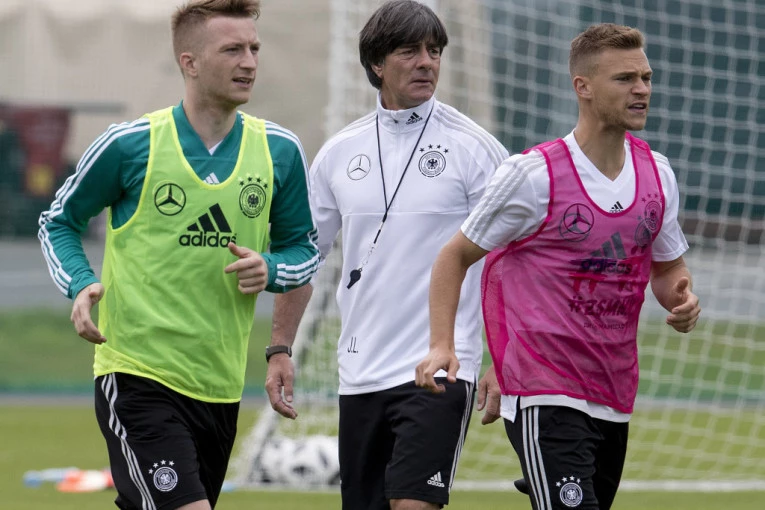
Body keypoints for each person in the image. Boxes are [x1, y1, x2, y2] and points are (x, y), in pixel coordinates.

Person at [37, 1, 319, 508]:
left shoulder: (279, 150)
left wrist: (271, 268)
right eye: (232, 50)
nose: (249, 62)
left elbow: (304, 252)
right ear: (189, 62)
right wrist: (80, 284)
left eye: (254, 48)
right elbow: (58, 221)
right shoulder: (130, 145)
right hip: (136, 374)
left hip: (220, 387)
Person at [416, 23, 701, 510]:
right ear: (582, 86)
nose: (641, 90)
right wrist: (443, 345)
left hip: (613, 390)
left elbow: (668, 269)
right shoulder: (532, 175)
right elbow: (454, 256)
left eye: (646, 78)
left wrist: (681, 297)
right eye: (625, 78)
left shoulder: (658, 173)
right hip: (543, 390)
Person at [267, 1, 508, 508]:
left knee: (413, 504)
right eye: (409, 51)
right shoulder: (338, 153)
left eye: (434, 51)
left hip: (441, 369)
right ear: (377, 63)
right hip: (359, 372)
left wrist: (508, 360)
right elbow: (305, 256)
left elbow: (514, 261)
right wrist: (279, 347)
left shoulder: (477, 149)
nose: (426, 62)